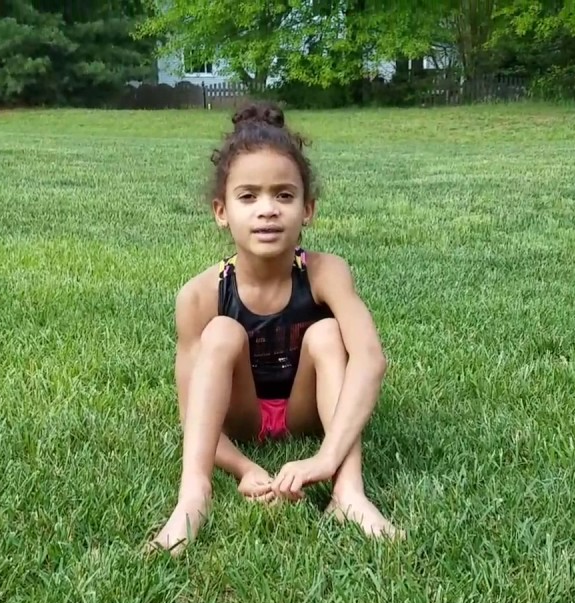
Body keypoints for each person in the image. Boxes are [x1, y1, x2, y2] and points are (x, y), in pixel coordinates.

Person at [149, 101, 403, 556]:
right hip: (243, 416)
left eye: (283, 196)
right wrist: (245, 468)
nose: (267, 210)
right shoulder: (200, 295)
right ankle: (193, 496)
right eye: (248, 196)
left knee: (325, 334)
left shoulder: (327, 273)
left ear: (307, 210)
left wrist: (326, 458)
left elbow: (370, 359)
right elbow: (193, 414)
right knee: (222, 332)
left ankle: (349, 494)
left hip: (306, 409)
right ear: (221, 210)